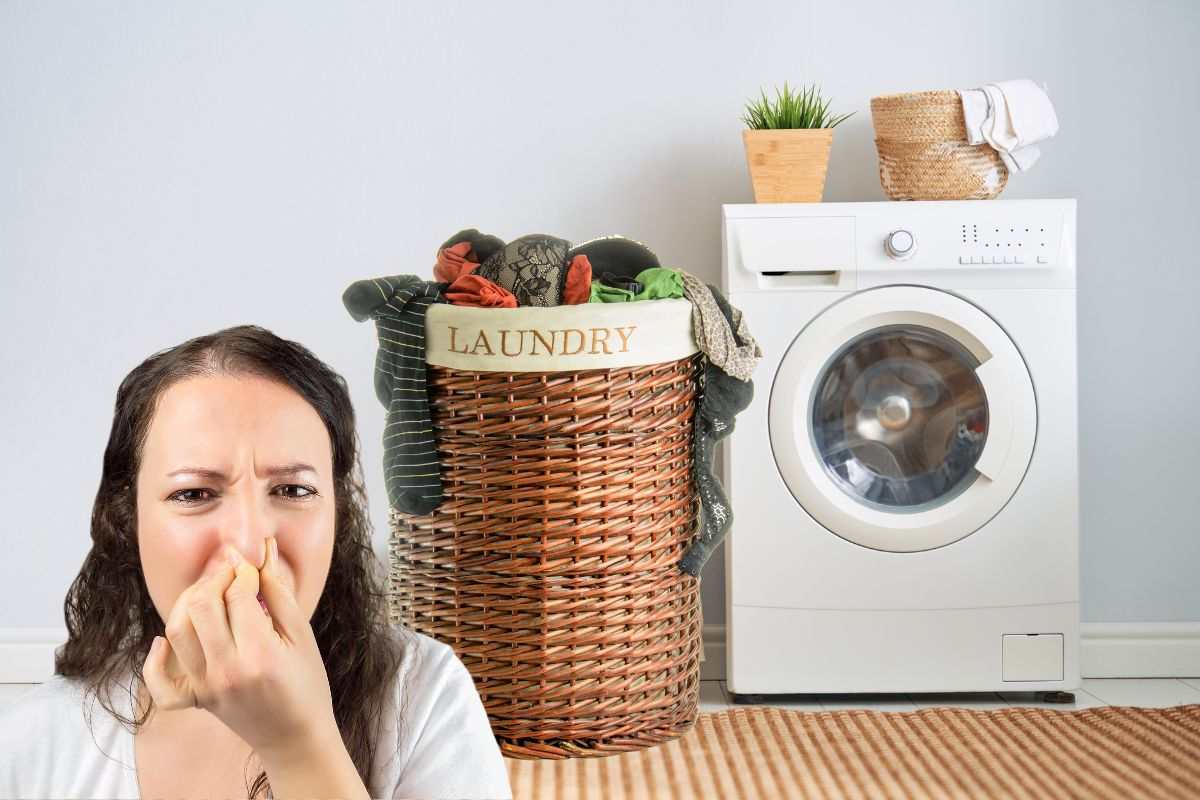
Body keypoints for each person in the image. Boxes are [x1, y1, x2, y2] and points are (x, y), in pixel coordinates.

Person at [0, 325, 512, 800]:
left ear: (339, 514)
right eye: (193, 493)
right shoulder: (39, 742)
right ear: (127, 519)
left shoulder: (422, 697)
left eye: (293, 490)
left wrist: (297, 744)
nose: (248, 547)